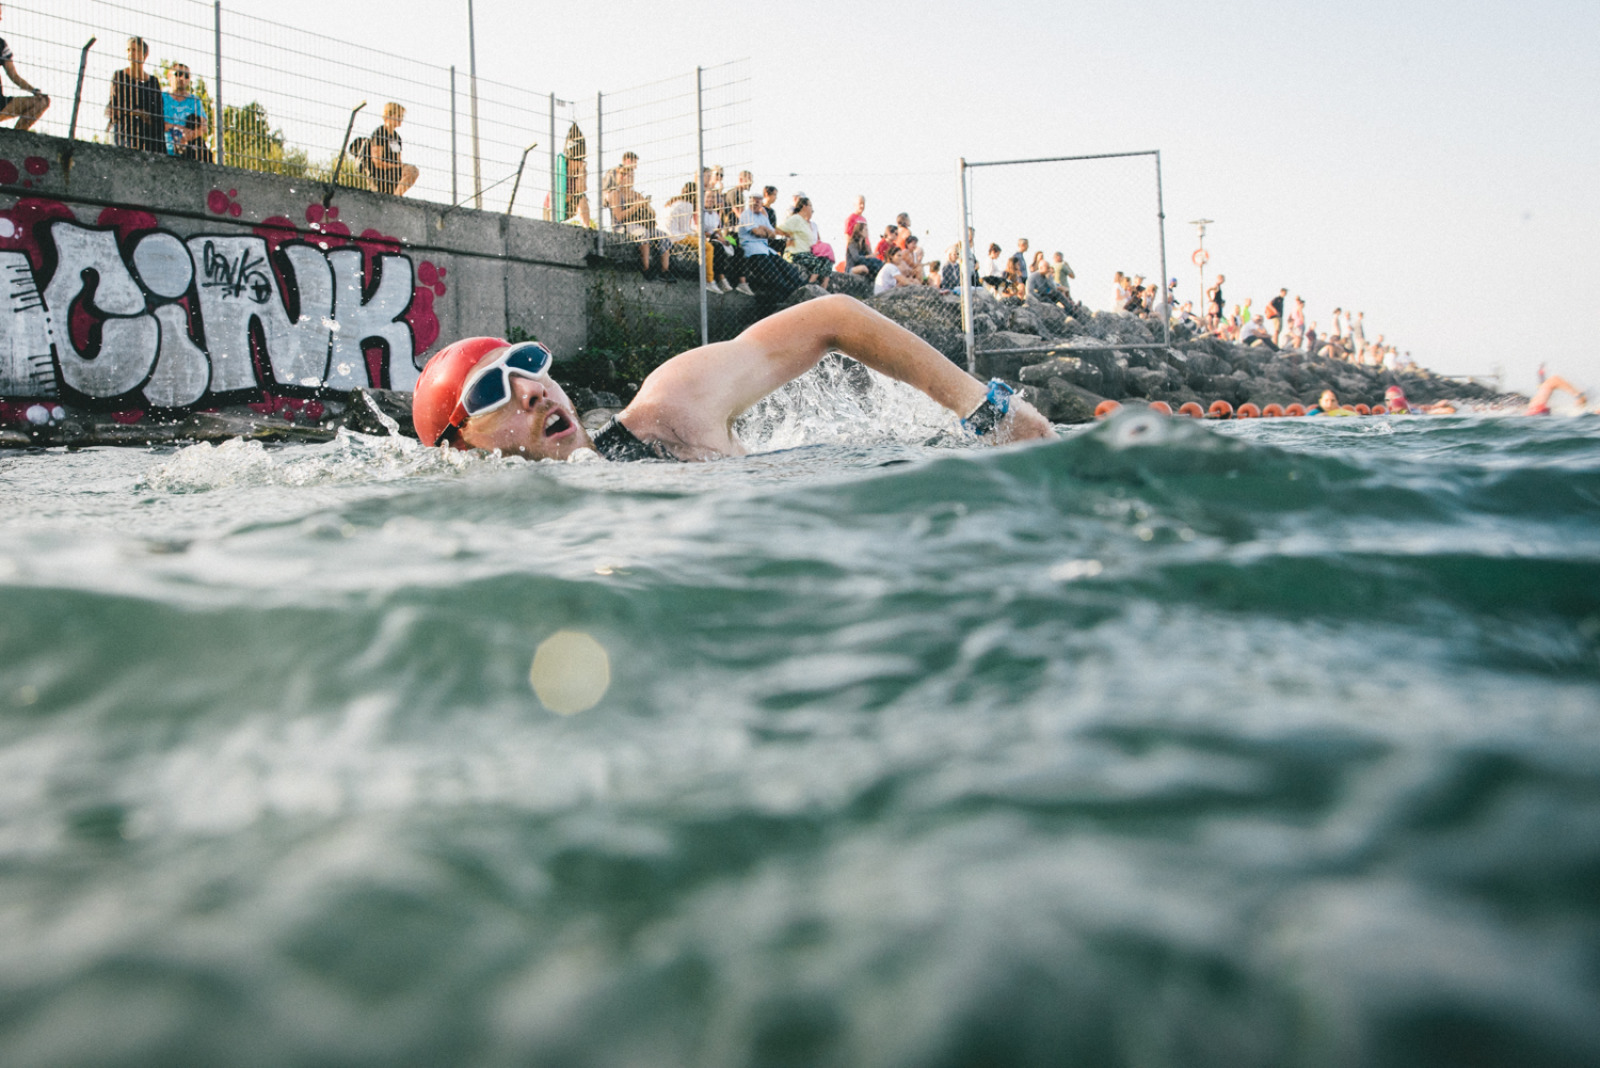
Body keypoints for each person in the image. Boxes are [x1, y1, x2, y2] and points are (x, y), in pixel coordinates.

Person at [411, 295, 1054, 462]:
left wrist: (989, 410)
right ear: (461, 447)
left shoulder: (672, 409)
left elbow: (833, 319)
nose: (531, 388)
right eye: (490, 392)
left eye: (526, 364)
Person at [603, 151, 672, 279]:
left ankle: (665, 271)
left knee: (663, 236)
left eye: (633, 176)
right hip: (624, 227)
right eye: (629, 176)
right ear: (622, 178)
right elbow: (619, 217)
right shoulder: (616, 194)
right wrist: (637, 206)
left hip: (641, 223)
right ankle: (646, 268)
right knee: (642, 233)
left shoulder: (636, 194)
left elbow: (652, 214)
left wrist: (646, 205)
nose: (632, 178)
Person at [737, 190, 802, 296]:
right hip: (754, 250)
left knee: (789, 270)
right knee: (775, 275)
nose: (757, 203)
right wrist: (763, 230)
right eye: (754, 201)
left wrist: (762, 229)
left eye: (759, 201)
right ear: (749, 202)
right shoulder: (746, 215)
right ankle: (788, 294)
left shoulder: (762, 216)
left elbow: (772, 234)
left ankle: (802, 288)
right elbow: (757, 232)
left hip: (766, 249)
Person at [107, 37, 163, 152]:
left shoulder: (153, 82)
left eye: (134, 50)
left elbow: (158, 111)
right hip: (124, 127)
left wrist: (146, 116)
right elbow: (115, 105)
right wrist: (138, 112)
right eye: (128, 50)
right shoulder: (120, 76)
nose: (131, 53)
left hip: (147, 131)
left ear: (144, 54)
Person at [0, 6, 49, 132]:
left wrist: (33, 90)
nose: (0, 18)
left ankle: (14, 139)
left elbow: (13, 76)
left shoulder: (1, 44)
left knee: (42, 101)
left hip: (1, 104)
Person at [777, 195, 832, 287]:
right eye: (810, 206)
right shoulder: (795, 219)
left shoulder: (811, 225)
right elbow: (780, 231)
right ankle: (809, 285)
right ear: (804, 207)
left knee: (827, 262)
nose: (812, 210)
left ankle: (823, 290)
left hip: (807, 253)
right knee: (818, 263)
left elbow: (818, 241)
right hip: (795, 254)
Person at [367, 103, 419, 196]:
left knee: (413, 171)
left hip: (394, 173)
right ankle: (396, 197)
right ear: (389, 115)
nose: (401, 119)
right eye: (398, 116)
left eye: (402, 116)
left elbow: (398, 160)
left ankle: (396, 195)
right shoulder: (380, 132)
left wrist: (398, 167)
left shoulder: (396, 137)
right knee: (411, 170)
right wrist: (395, 166)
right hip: (381, 174)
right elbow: (377, 162)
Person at [161, 62, 210, 161]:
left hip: (189, 149)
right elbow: (157, 122)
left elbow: (204, 126)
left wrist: (188, 136)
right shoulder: (161, 97)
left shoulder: (194, 101)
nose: (182, 78)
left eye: (186, 76)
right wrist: (180, 130)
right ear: (169, 76)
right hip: (164, 147)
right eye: (178, 74)